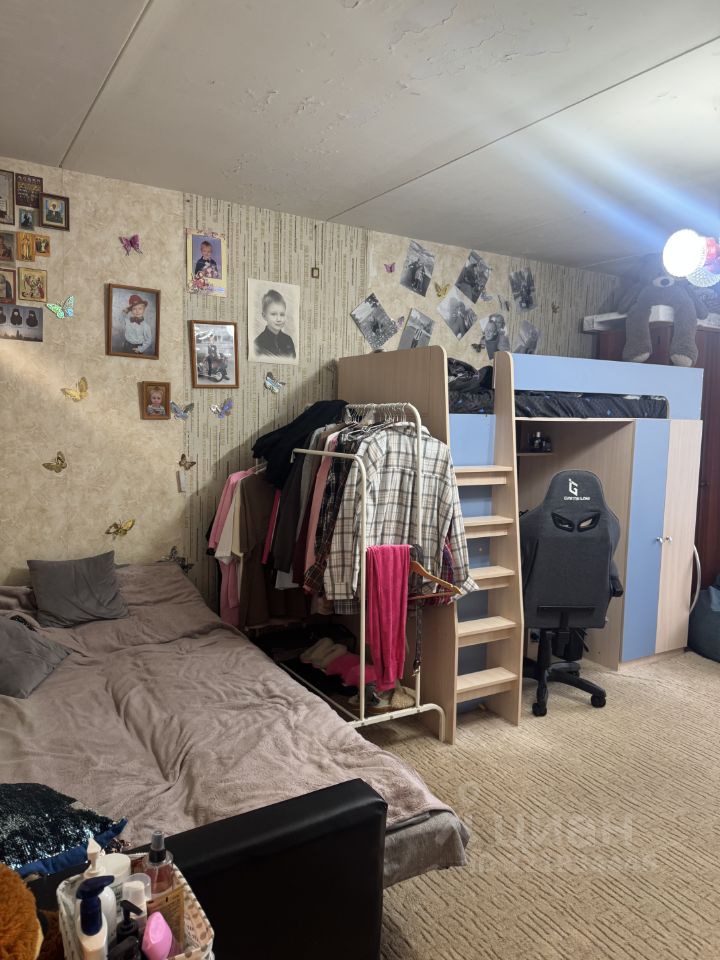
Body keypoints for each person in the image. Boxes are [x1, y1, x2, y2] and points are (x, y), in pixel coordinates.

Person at [253, 289, 296, 360]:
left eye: (282, 314)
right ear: (264, 316)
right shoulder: (257, 343)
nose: (279, 319)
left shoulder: (288, 340)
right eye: (273, 314)